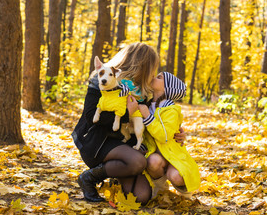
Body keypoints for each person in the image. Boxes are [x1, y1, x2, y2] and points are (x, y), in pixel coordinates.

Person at [72, 43, 186, 204]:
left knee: (140, 197)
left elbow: (154, 119)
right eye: (152, 68)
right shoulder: (104, 77)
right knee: (138, 161)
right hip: (98, 143)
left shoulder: (143, 91)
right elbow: (91, 116)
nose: (153, 73)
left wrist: (176, 132)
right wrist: (127, 114)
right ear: (142, 66)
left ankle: (117, 173)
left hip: (126, 146)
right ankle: (88, 178)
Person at [138, 72, 200, 199]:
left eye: (159, 77)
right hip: (156, 154)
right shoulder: (148, 105)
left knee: (177, 176)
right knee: (153, 161)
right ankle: (160, 187)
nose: (154, 77)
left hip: (172, 154)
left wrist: (147, 117)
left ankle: (185, 192)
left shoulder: (170, 110)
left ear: (167, 88)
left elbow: (163, 136)